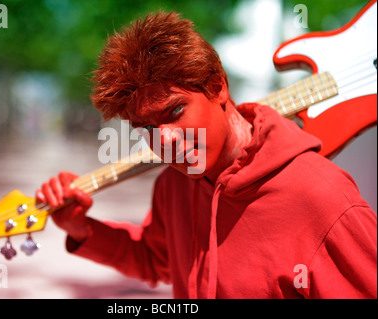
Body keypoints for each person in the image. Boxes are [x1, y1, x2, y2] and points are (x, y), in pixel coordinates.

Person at [36, 11, 377, 299]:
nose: (164, 139)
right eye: (147, 128)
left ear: (218, 87)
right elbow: (160, 260)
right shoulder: (174, 185)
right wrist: (81, 229)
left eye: (174, 111)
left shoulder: (323, 199)